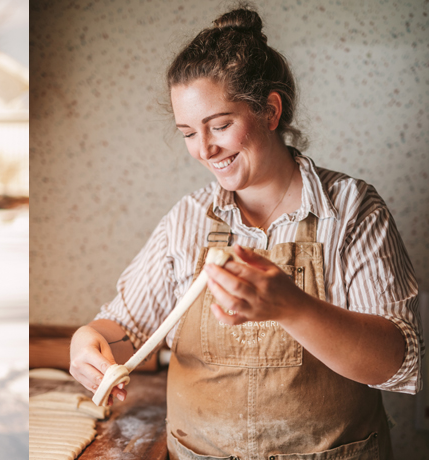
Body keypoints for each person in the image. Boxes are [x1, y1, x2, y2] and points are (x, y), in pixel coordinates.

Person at [69, 6, 422, 459]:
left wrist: (291, 307)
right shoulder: (188, 220)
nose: (205, 149)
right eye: (187, 133)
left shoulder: (353, 210)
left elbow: (398, 363)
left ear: (270, 110)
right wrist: (89, 342)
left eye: (220, 125)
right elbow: (124, 327)